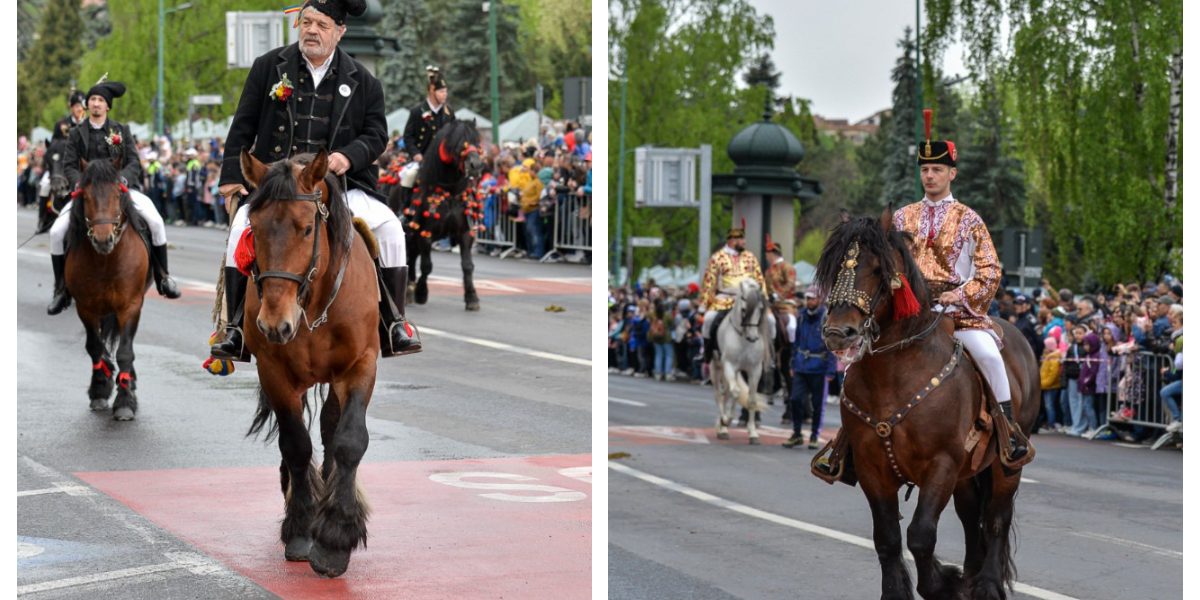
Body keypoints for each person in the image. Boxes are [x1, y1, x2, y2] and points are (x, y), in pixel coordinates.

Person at [211, 0, 420, 361]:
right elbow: (242, 126)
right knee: (240, 229)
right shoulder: (268, 67)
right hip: (278, 187)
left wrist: (347, 156)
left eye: (322, 25)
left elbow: (376, 135)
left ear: (340, 31)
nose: (312, 30)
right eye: (307, 22)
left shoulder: (364, 81)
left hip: (341, 185)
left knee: (390, 230)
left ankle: (394, 322)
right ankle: (234, 330)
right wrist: (233, 177)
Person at [819, 113, 1025, 475]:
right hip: (906, 313)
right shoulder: (901, 218)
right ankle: (844, 446)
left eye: (937, 170)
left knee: (990, 355)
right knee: (857, 365)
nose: (930, 175)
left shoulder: (969, 219)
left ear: (952, 175)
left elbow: (990, 271)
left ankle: (1009, 432)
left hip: (956, 313)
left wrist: (958, 296)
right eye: (925, 169)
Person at [48, 77, 181, 315]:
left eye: (100, 100)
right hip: (88, 193)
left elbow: (133, 162)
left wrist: (124, 180)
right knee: (56, 232)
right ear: (87, 105)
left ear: (107, 106)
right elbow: (68, 165)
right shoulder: (77, 133)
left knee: (156, 221)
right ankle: (61, 290)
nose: (96, 103)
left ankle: (163, 277)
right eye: (92, 99)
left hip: (120, 190)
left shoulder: (121, 130)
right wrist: (79, 182)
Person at [698, 225, 769, 364]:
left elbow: (760, 279)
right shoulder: (717, 258)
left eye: (743, 238)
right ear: (732, 240)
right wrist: (704, 305)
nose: (744, 242)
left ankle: (767, 354)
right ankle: (707, 353)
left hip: (749, 299)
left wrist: (764, 300)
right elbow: (709, 282)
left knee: (770, 322)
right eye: (740, 239)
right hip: (724, 298)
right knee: (708, 319)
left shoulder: (750, 257)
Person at [397, 66, 455, 214]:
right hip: (421, 159)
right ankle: (406, 209)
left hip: (442, 160)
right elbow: (408, 137)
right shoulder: (417, 111)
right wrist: (416, 154)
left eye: (446, 91)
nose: (445, 95)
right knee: (410, 176)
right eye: (441, 91)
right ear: (432, 91)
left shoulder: (449, 113)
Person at [783, 288, 836, 449]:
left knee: (818, 404)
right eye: (808, 298)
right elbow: (796, 342)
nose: (809, 301)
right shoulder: (801, 317)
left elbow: (831, 345)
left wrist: (830, 370)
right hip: (801, 366)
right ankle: (797, 433)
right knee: (795, 399)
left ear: (819, 299)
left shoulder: (827, 318)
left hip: (819, 368)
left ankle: (814, 435)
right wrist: (793, 363)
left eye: (812, 299)